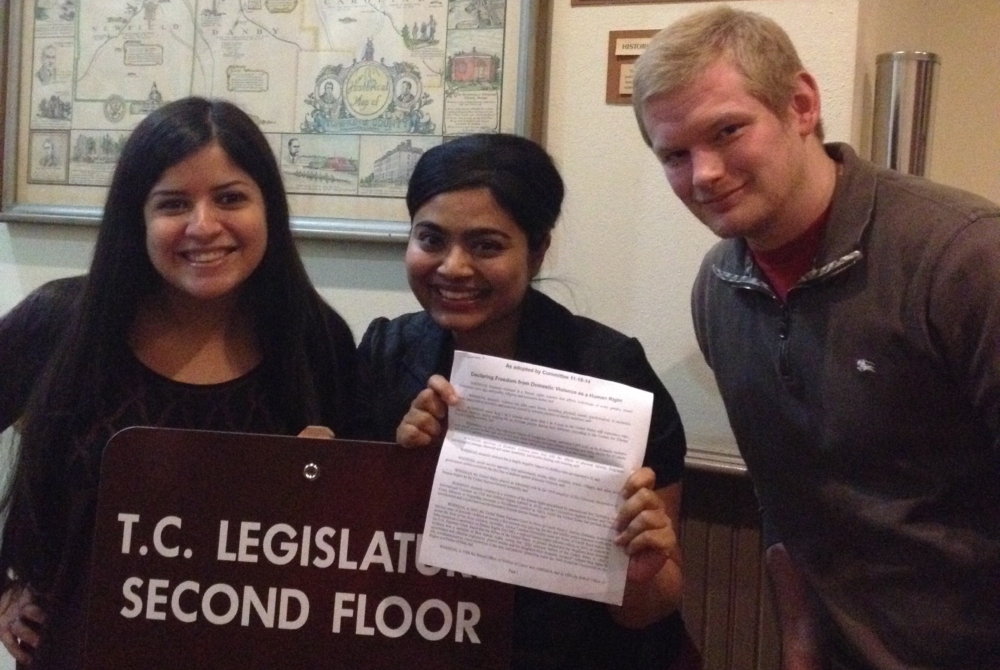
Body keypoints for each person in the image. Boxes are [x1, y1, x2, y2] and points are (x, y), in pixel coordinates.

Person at [631, 6, 1000, 670]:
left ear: (800, 105)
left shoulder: (965, 258)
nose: (705, 174)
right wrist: (799, 644)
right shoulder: (719, 290)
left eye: (727, 131)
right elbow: (785, 497)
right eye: (676, 155)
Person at [0, 96, 358, 667]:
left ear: (269, 208)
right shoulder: (60, 323)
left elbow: (352, 547)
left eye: (230, 198)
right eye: (172, 203)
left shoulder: (317, 340)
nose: (203, 226)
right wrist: (4, 590)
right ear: (134, 218)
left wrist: (332, 486)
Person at [357, 133, 692, 670]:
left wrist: (638, 571)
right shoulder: (383, 353)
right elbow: (347, 555)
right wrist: (400, 468)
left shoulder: (611, 372)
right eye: (431, 239)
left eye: (486, 245)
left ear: (536, 250)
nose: (453, 267)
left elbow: (649, 608)